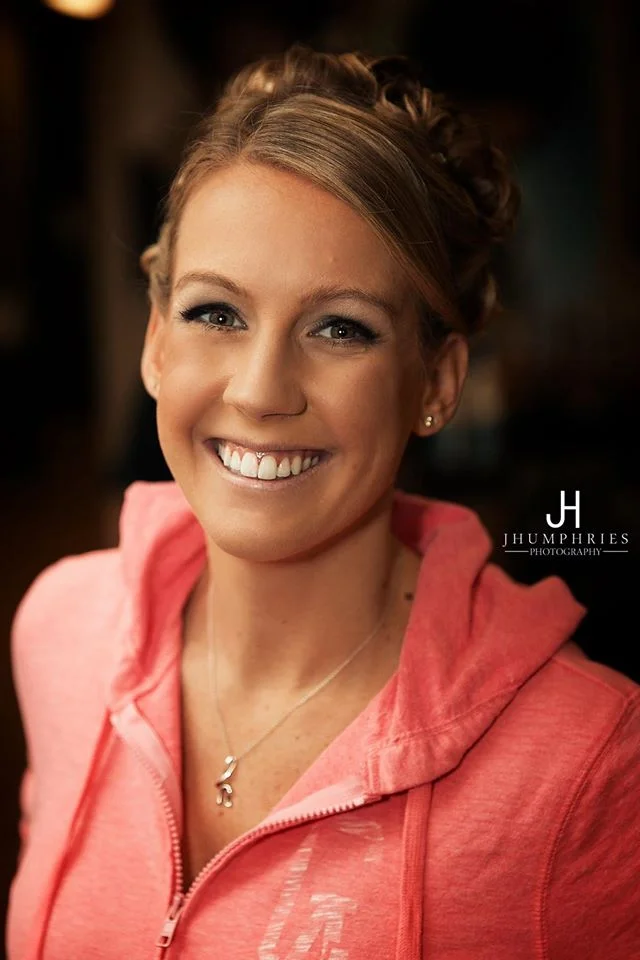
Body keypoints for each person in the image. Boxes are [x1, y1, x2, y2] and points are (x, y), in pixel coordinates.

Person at [7, 45, 640, 960]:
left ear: (436, 381)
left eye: (340, 327)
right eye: (216, 313)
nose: (261, 391)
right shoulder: (59, 630)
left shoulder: (588, 760)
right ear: (154, 343)